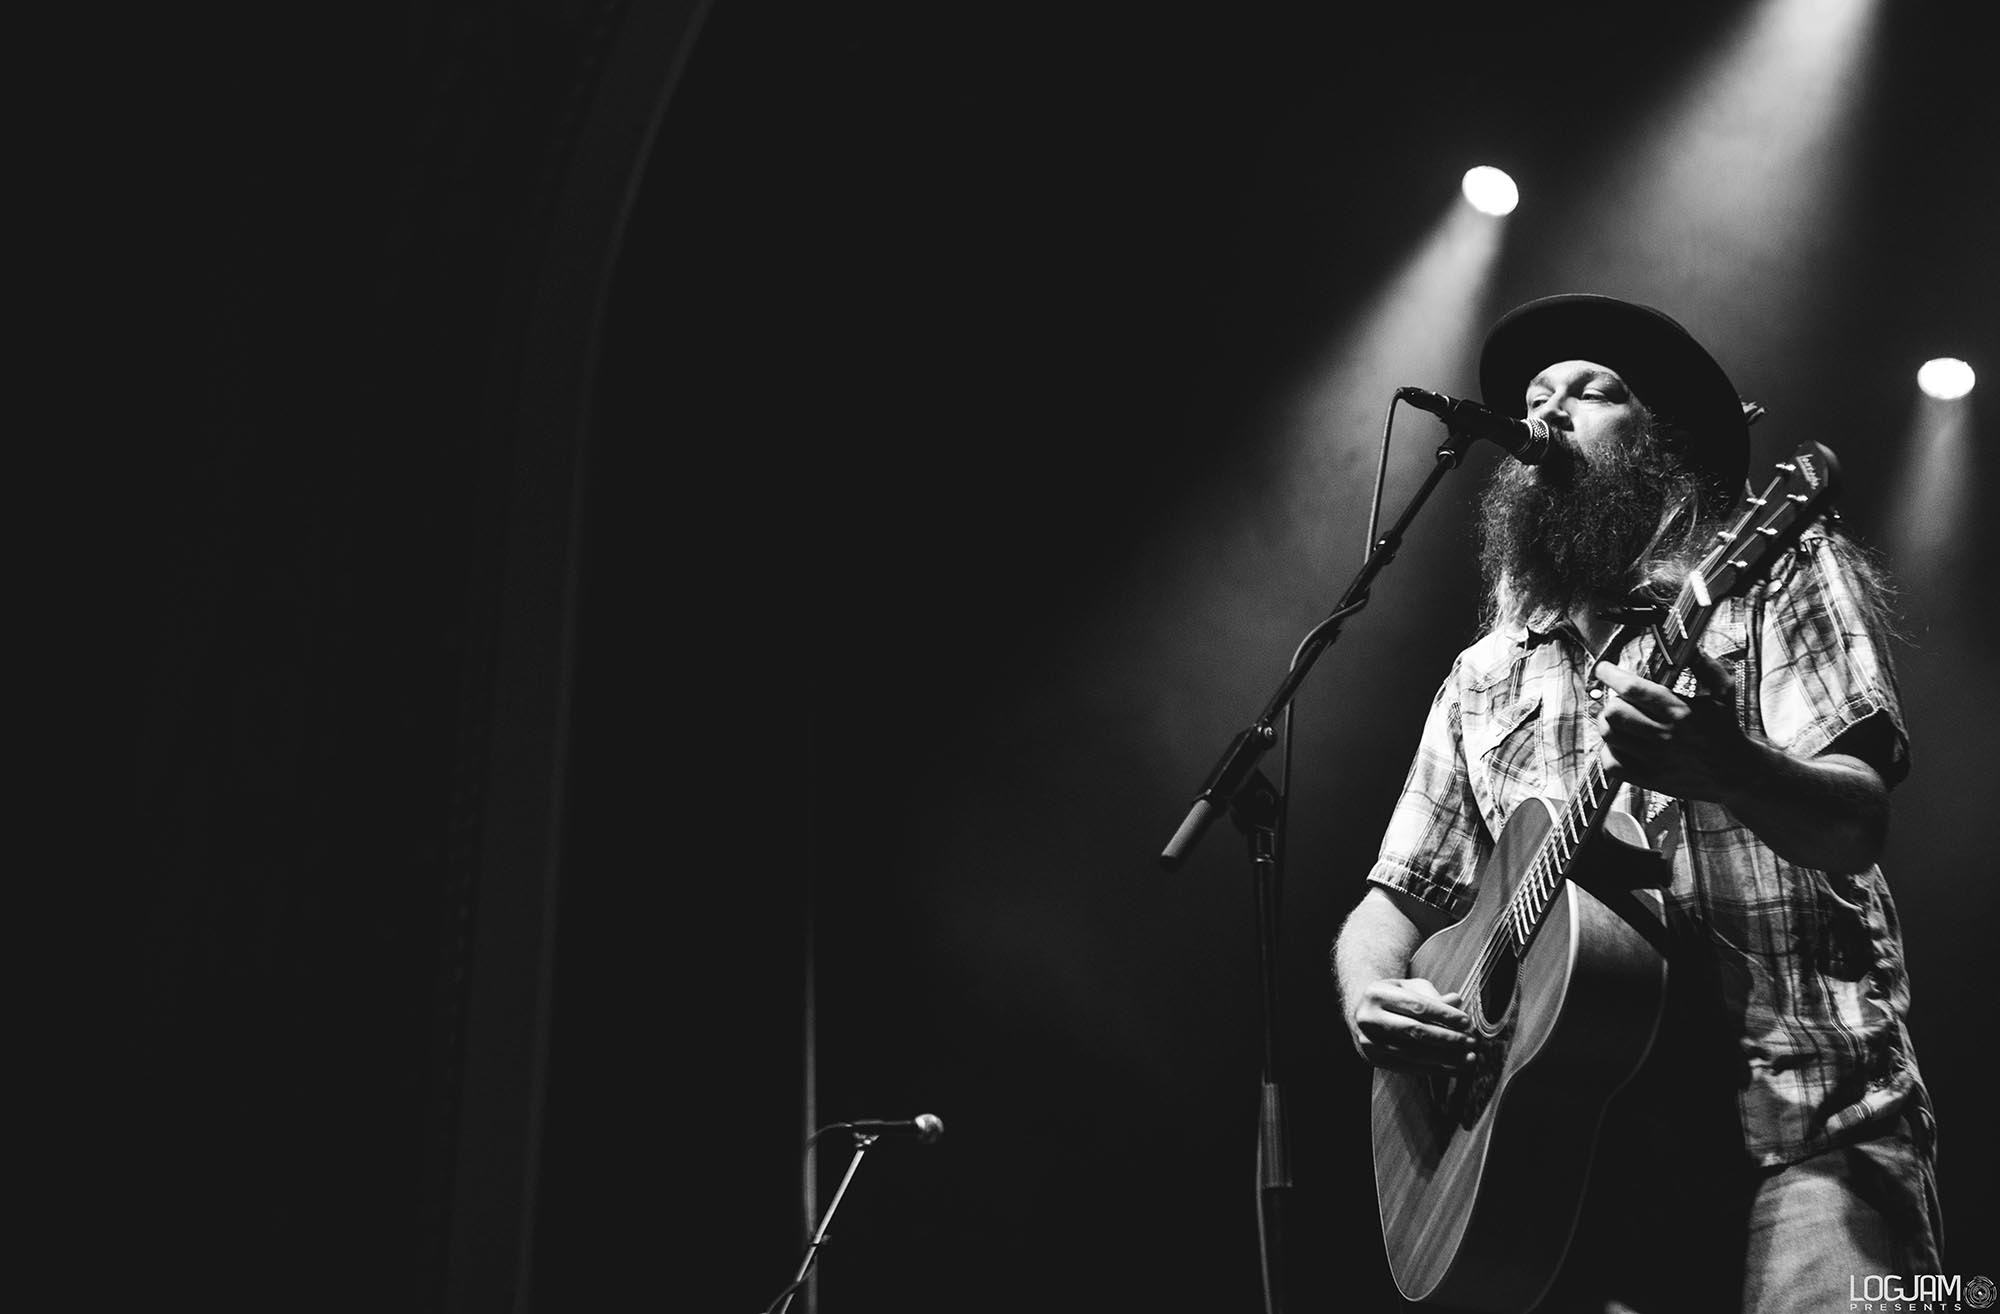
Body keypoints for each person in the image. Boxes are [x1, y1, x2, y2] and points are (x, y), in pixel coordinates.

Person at [1331, 294, 1941, 1313]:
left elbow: (1853, 821)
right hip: (1581, 1166)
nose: (1549, 411)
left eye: (1590, 392)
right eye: (1534, 398)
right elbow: (1389, 904)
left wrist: (1728, 767)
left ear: (1660, 442)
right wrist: (1367, 996)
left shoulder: (1770, 568)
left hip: (1808, 1136)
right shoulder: (1482, 675)